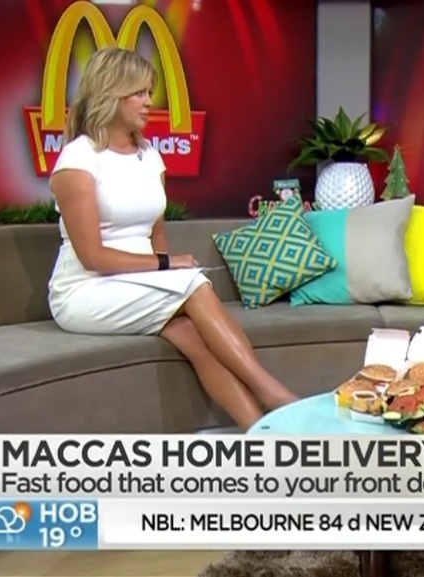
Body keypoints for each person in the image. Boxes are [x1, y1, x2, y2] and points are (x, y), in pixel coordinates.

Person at [46, 47, 298, 431]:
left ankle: (262, 431)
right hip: (86, 289)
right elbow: (93, 257)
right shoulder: (78, 159)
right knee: (195, 285)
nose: (149, 101)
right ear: (110, 94)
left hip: (140, 284)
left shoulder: (150, 157)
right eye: (139, 93)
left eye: (150, 92)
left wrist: (164, 269)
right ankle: (274, 394)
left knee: (194, 337)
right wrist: (167, 266)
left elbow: (156, 236)